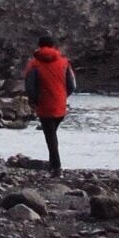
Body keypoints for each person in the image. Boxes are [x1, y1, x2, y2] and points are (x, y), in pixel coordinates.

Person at [24, 35, 76, 172]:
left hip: (44, 104)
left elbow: (30, 86)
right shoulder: (64, 62)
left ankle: (56, 167)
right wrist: (63, 97)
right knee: (52, 135)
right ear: (53, 46)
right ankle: (54, 166)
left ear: (39, 46)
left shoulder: (33, 64)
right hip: (60, 105)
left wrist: (34, 101)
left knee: (50, 137)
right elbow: (72, 85)